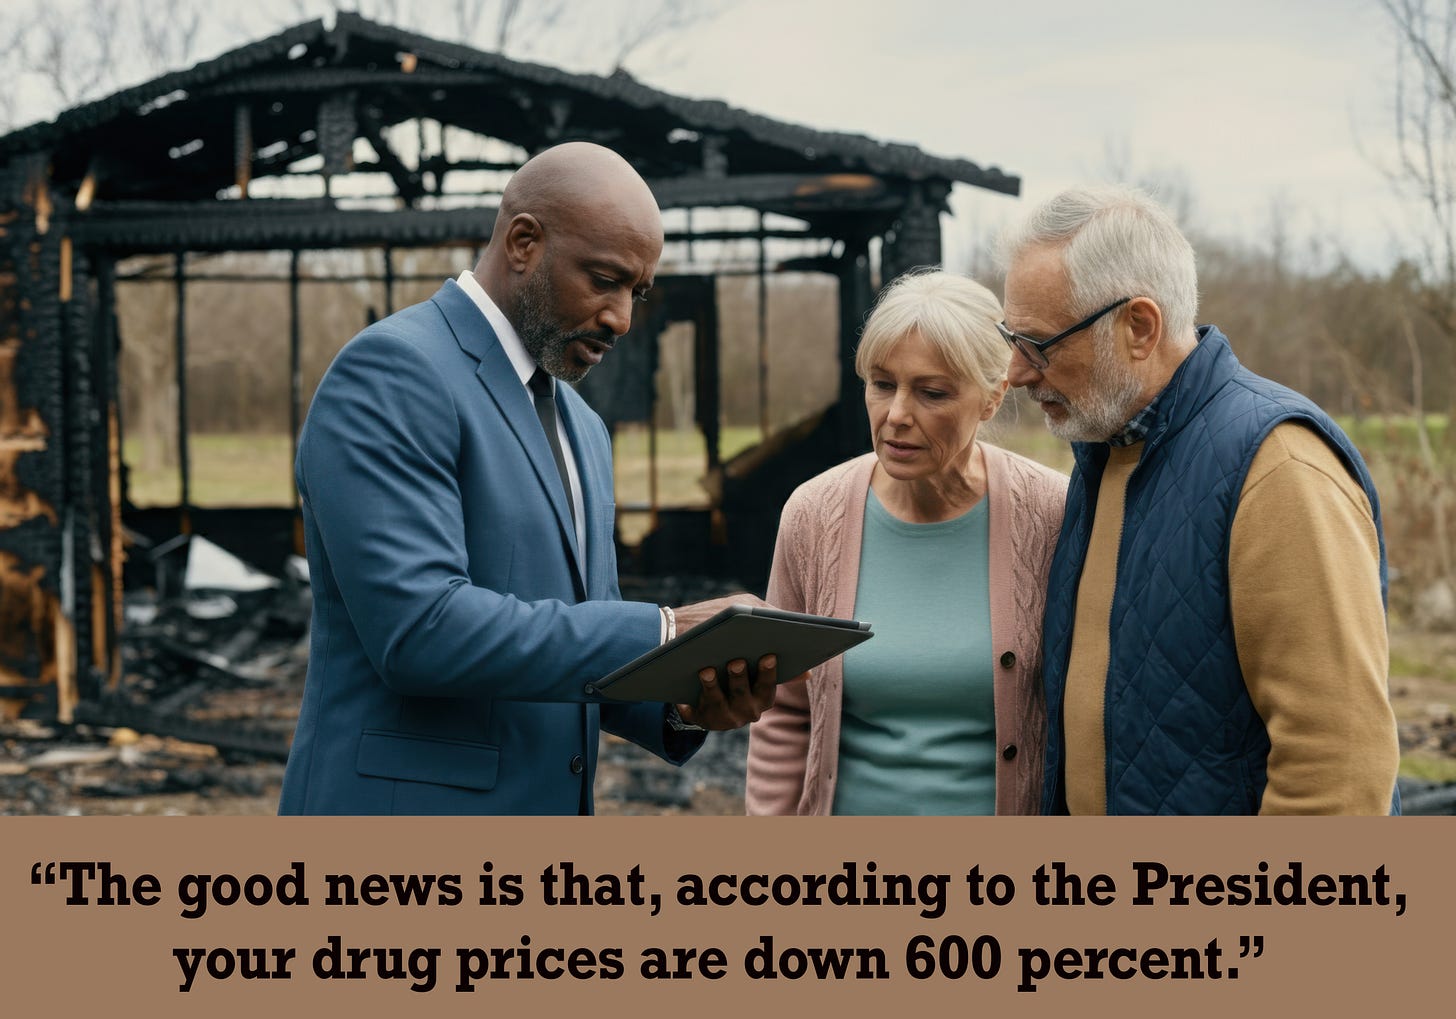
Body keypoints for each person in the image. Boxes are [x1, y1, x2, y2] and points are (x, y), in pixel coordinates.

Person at [279, 142, 778, 815]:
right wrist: (664, 632)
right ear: (522, 242)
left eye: (637, 291)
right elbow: (421, 630)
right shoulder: (395, 373)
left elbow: (576, 643)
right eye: (604, 279)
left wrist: (686, 697)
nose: (623, 319)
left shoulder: (583, 426)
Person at [998, 184, 1401, 815]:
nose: (1018, 372)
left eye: (1040, 344)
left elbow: (1338, 766)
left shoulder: (1279, 467)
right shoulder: (1105, 452)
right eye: (1011, 339)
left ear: (1139, 327)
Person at [745, 270, 1068, 815]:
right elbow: (784, 708)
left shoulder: (1054, 515)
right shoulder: (813, 515)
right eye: (882, 384)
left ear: (992, 398)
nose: (896, 415)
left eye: (932, 392)